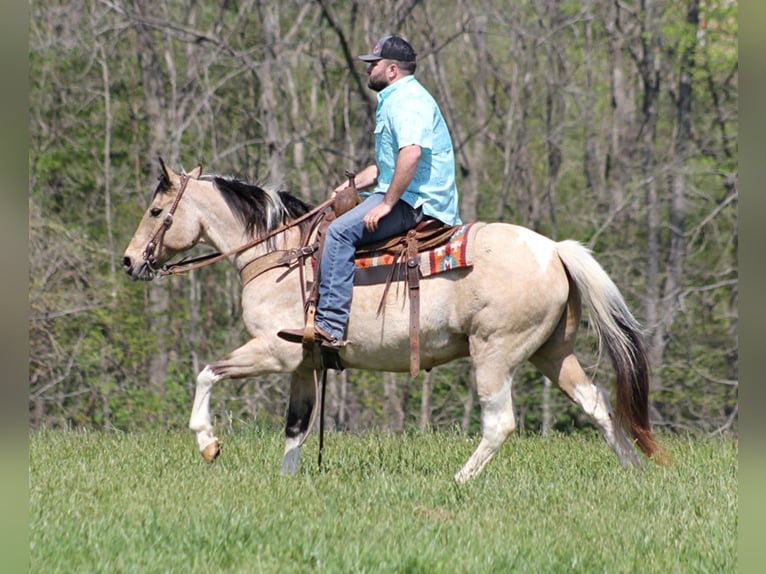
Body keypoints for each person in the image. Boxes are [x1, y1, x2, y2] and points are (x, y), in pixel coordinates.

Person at [278, 34, 461, 348]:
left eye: (373, 64)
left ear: (391, 70)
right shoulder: (394, 99)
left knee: (337, 233)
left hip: (417, 202)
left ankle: (330, 326)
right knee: (327, 220)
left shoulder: (408, 101)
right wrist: (355, 184)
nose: (368, 69)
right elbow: (388, 166)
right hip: (403, 193)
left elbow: (411, 154)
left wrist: (386, 204)